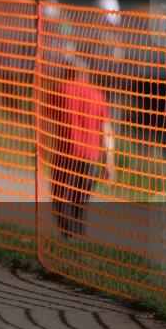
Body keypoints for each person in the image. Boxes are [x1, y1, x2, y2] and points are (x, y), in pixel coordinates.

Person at [49, 60, 116, 238]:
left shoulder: (60, 89)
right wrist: (109, 163)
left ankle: (69, 237)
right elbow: (107, 131)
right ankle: (79, 239)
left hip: (66, 154)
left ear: (67, 71)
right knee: (81, 201)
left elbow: (47, 120)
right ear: (86, 74)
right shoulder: (98, 96)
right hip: (91, 157)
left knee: (59, 198)